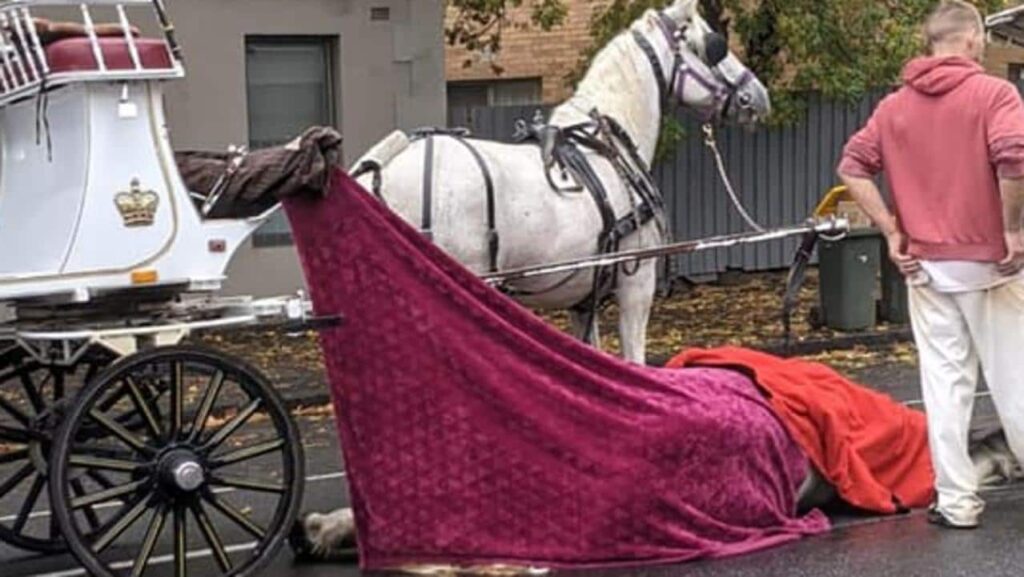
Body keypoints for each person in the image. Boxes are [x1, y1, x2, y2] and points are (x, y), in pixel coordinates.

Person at [838, 0, 1024, 529]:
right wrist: (1012, 229)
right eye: (982, 42)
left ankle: (957, 501)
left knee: (944, 384)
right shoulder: (995, 93)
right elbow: (1014, 154)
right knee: (1015, 378)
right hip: (993, 264)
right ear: (971, 41)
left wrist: (892, 228)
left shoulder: (894, 107)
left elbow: (852, 166)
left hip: (926, 268)